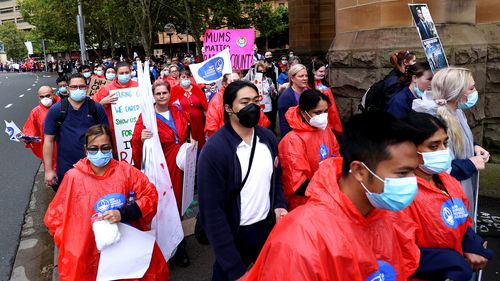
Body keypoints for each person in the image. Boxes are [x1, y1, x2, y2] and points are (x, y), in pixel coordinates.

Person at [243, 111, 421, 280]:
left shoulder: (388, 216)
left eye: (414, 171)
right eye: (402, 173)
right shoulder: (302, 238)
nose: (413, 182)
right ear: (359, 170)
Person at [44, 124, 170, 281]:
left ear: (112, 148)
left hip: (126, 244)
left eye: (105, 148)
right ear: (85, 150)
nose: (99, 152)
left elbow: (150, 196)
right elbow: (55, 218)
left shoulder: (126, 171)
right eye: (93, 148)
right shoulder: (73, 178)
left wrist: (123, 213)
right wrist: (74, 242)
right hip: (87, 250)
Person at [198, 80, 287, 281]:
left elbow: (277, 179)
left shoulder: (268, 138)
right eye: (244, 101)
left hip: (266, 228)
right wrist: (234, 268)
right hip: (234, 234)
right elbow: (212, 213)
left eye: (256, 100)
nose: (252, 107)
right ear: (229, 108)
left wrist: (279, 204)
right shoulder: (214, 151)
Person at [401, 112, 492, 280]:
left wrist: (470, 241)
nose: (444, 150)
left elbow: (462, 220)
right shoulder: (403, 194)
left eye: (445, 143)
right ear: (409, 149)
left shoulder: (448, 181)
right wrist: (449, 262)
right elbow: (399, 251)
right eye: (433, 146)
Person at [413, 67, 489, 218]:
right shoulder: (437, 119)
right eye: (471, 88)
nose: (475, 92)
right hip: (450, 196)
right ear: (457, 91)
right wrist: (470, 164)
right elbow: (437, 168)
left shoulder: (457, 111)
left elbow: (460, 139)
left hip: (461, 189)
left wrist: (473, 147)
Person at [131, 79, 191, 267]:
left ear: (169, 93)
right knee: (162, 209)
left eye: (164, 93)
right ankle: (162, 250)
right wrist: (141, 139)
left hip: (178, 168)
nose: (162, 96)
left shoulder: (177, 111)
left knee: (178, 207)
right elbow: (136, 143)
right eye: (158, 94)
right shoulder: (146, 116)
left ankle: (180, 247)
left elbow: (184, 134)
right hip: (160, 170)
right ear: (153, 96)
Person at [43, 73, 109, 190]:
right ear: (68, 88)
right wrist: (48, 171)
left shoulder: (96, 108)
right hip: (66, 168)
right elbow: (48, 141)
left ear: (87, 88)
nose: (78, 89)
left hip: (94, 166)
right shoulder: (56, 110)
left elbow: (108, 138)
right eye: (74, 87)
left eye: (82, 86)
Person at [278, 89, 340, 210]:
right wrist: (325, 193)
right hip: (305, 203)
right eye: (317, 112)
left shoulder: (325, 130)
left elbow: (336, 157)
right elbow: (297, 182)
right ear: (304, 112)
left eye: (325, 111)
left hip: (328, 196)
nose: (323, 116)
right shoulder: (293, 140)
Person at [205, 73, 270, 138]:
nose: (237, 84)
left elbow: (262, 121)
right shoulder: (217, 101)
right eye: (244, 102)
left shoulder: (247, 94)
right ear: (224, 84)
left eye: (239, 80)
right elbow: (211, 127)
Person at [94, 61, 138, 142]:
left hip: (136, 128)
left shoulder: (138, 86)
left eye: (126, 72)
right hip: (114, 131)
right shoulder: (106, 89)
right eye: (121, 73)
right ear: (116, 74)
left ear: (131, 72)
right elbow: (93, 108)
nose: (124, 75)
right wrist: (102, 102)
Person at [170, 70, 208, 151]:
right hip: (184, 125)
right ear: (179, 78)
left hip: (199, 123)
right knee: (189, 148)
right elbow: (171, 108)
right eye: (183, 77)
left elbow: (205, 107)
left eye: (187, 77)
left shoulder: (196, 89)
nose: (186, 79)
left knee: (201, 145)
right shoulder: (174, 90)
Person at [22, 86, 60, 166]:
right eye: (42, 97)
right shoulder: (35, 112)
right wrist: (27, 138)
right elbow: (29, 130)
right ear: (38, 97)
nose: (45, 98)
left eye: (47, 96)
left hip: (65, 147)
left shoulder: (63, 107)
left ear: (53, 94)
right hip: (48, 151)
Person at [308, 60, 343, 135]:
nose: (323, 74)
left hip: (327, 117)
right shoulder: (307, 86)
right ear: (313, 71)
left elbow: (332, 107)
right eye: (320, 71)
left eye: (324, 71)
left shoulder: (325, 85)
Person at [278, 64, 308, 138]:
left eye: (306, 76)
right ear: (292, 78)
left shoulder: (309, 92)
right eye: (301, 76)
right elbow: (284, 124)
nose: (305, 78)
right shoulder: (286, 97)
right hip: (295, 137)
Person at [255, 61, 278, 133]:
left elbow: (274, 96)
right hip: (258, 108)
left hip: (268, 107)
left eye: (263, 71)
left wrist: (273, 90)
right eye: (259, 71)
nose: (261, 72)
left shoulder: (269, 80)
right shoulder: (254, 80)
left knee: (269, 126)